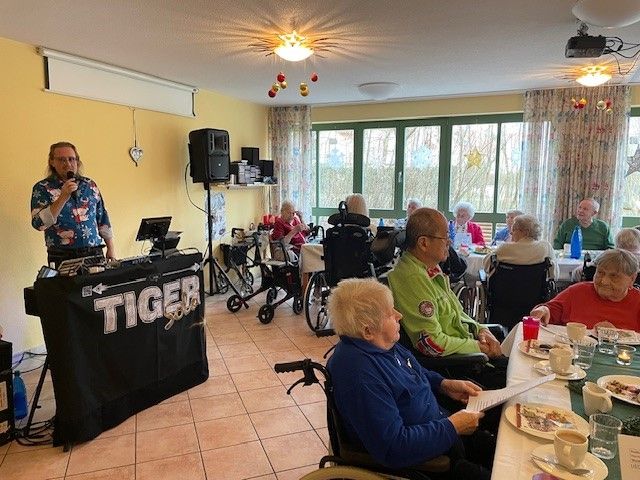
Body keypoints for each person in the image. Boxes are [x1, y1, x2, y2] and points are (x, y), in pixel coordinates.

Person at [327, 278, 492, 478]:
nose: (400, 315)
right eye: (390, 314)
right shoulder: (360, 375)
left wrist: (444, 384)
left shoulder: (383, 345)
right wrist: (453, 426)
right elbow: (394, 447)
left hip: (443, 432)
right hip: (428, 462)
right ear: (368, 330)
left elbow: (414, 371)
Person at [388, 208, 505, 375]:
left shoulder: (430, 268)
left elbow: (457, 312)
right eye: (445, 237)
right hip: (454, 367)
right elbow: (431, 343)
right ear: (423, 243)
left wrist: (480, 329)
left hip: (467, 351)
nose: (449, 242)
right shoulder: (412, 278)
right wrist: (479, 347)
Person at [31, 141, 115, 267]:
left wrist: (111, 248)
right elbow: (38, 224)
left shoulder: (89, 185)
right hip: (62, 255)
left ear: (77, 161)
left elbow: (102, 218)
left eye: (71, 159)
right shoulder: (42, 188)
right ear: (52, 162)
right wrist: (63, 197)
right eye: (62, 160)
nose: (68, 164)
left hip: (94, 252)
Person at [530, 249, 640, 331]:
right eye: (600, 273)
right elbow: (550, 311)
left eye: (614, 276)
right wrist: (543, 310)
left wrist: (618, 335)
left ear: (632, 279)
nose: (604, 281)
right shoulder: (577, 292)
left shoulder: (637, 302)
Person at [483, 214, 557, 279]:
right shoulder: (546, 247)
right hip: (537, 290)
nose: (511, 233)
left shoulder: (505, 248)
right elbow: (555, 274)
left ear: (526, 232)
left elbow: (486, 267)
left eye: (514, 229)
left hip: (504, 289)